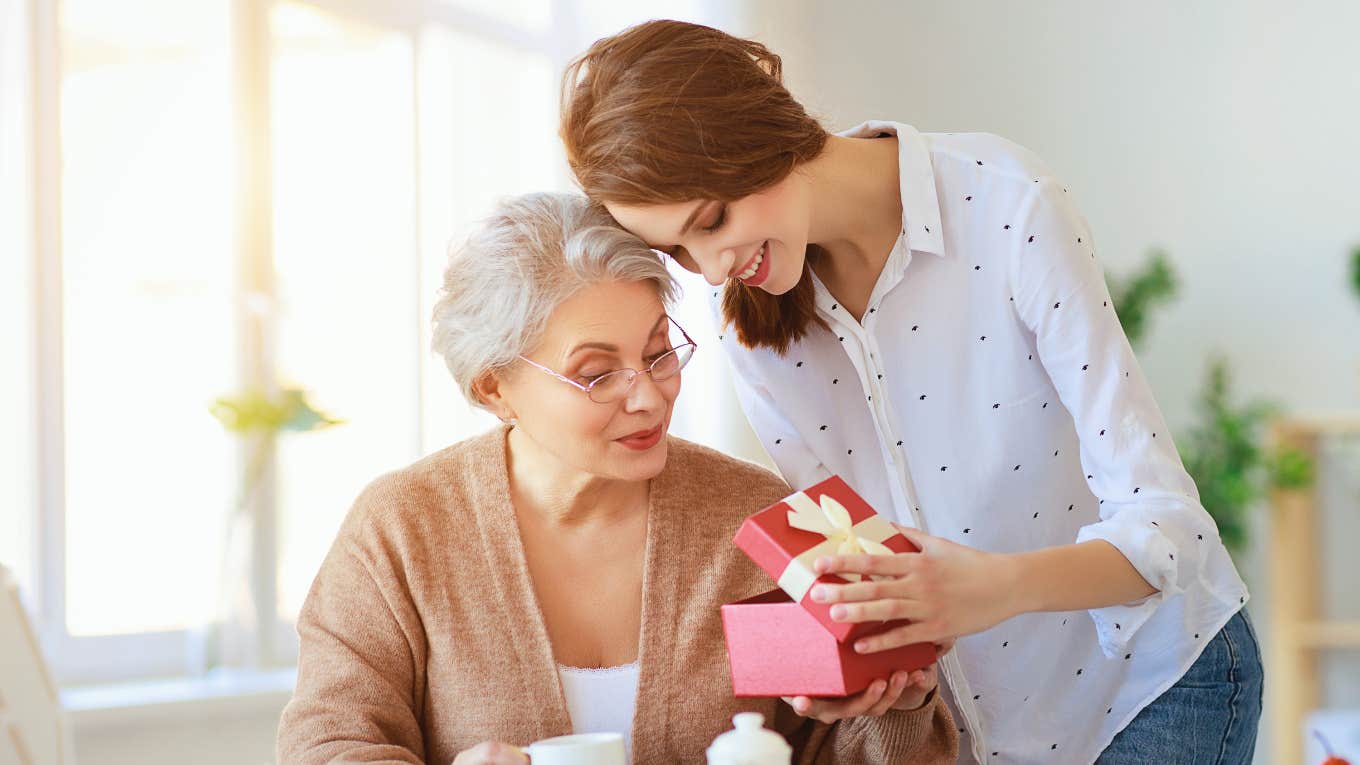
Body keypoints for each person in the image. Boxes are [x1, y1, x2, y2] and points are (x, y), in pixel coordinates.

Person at [559, 21, 1262, 764]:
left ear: (757, 133)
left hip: (1150, 689)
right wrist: (866, 664)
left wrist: (995, 586)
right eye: (677, 249)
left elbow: (1172, 525)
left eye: (713, 220)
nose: (710, 268)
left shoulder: (1006, 206)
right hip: (976, 736)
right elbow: (860, 561)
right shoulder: (754, 329)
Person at [275, 192, 957, 765]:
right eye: (597, 373)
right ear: (494, 388)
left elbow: (846, 745)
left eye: (659, 353)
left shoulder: (761, 521)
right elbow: (328, 743)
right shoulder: (403, 527)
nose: (649, 396)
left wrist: (898, 703)